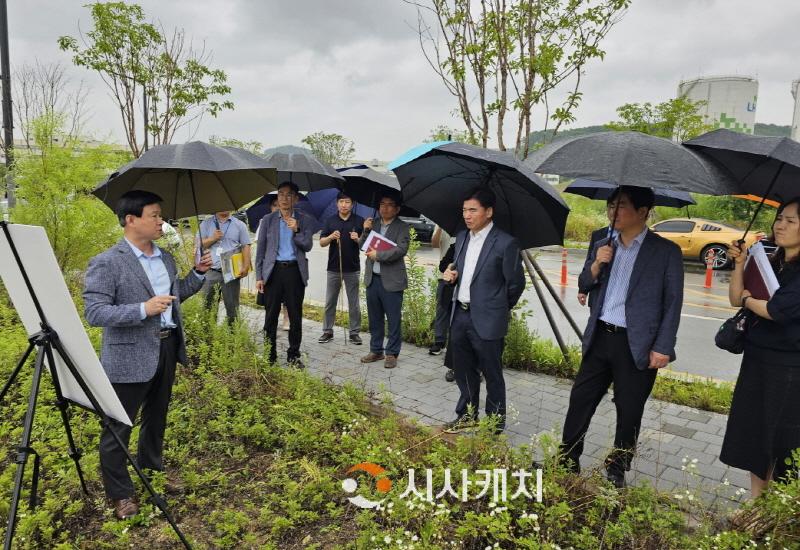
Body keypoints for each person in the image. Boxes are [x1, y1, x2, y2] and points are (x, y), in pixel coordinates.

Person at [83, 190, 212, 520]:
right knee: (118, 428)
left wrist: (196, 273)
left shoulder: (165, 258)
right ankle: (121, 494)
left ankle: (151, 472)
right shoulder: (108, 262)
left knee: (156, 418)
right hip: (128, 356)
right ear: (131, 220)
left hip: (166, 347)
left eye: (160, 215)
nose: (161, 222)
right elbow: (95, 312)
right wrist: (142, 309)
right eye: (154, 215)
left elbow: (176, 295)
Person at [559, 186, 683, 489]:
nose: (613, 212)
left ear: (643, 212)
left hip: (637, 344)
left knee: (629, 408)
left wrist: (663, 347)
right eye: (611, 205)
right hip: (601, 335)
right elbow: (585, 284)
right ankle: (567, 459)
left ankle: (617, 466)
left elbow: (672, 302)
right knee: (581, 399)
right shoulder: (601, 239)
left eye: (622, 206)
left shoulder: (665, 251)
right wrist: (597, 263)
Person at [721, 198, 800, 499]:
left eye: (791, 221)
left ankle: (777, 509)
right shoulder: (771, 259)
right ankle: (756, 503)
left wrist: (746, 300)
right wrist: (741, 263)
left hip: (789, 368)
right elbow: (733, 297)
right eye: (779, 218)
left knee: (781, 439)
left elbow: (777, 310)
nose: (780, 225)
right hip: (757, 360)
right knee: (755, 434)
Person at [442, 187, 525, 434]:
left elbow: (515, 284)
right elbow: (458, 269)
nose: (467, 215)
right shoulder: (463, 238)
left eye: (473, 210)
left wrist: (497, 307)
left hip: (488, 319)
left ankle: (494, 423)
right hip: (461, 314)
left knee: (492, 373)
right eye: (464, 210)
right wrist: (450, 275)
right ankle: (467, 414)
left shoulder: (506, 243)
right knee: (463, 369)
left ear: (488, 212)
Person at [255, 182, 315, 367]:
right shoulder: (268, 220)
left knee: (295, 316)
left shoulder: (304, 219)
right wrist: (259, 276)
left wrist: (296, 229)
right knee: (270, 316)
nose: (284, 198)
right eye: (281, 194)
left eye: (288, 195)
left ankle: (293, 355)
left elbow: (308, 246)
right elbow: (261, 250)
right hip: (273, 272)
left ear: (296, 198)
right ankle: (270, 354)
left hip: (294, 272)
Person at [359, 193, 410, 369]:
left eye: (389, 205)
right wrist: (365, 230)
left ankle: (392, 353)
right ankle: (376, 350)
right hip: (373, 279)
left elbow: (401, 249)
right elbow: (362, 246)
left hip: (392, 281)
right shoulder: (373, 223)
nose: (385, 208)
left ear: (397, 209)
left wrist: (379, 255)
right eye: (382, 204)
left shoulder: (402, 227)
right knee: (375, 318)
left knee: (393, 319)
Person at [318, 191, 364, 345]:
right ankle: (327, 331)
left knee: (354, 303)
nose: (344, 205)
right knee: (330, 301)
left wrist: (358, 239)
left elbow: (366, 245)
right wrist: (331, 237)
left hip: (353, 268)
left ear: (353, 204)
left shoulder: (359, 221)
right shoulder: (330, 221)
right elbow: (321, 242)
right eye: (341, 202)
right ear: (337, 203)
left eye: (347, 202)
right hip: (333, 268)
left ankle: (354, 332)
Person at [197, 210, 251, 324]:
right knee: (208, 308)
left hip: (231, 271)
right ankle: (208, 338)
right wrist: (213, 238)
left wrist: (246, 266)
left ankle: (232, 337)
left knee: (232, 309)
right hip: (210, 271)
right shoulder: (206, 224)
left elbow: (246, 245)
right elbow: (198, 244)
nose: (224, 208)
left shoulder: (239, 225)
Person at [256, 195, 290, 331]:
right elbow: (260, 249)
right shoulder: (265, 222)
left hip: (286, 266)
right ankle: (270, 323)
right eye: (274, 205)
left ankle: (286, 319)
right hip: (269, 267)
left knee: (287, 297)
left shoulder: (291, 221)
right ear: (271, 207)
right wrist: (259, 274)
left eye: (279, 204)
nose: (277, 207)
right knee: (270, 300)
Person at [430, 225, 455, 355]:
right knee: (442, 310)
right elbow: (434, 244)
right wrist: (440, 227)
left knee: (457, 313)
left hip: (461, 279)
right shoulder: (444, 223)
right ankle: (439, 342)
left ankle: (454, 344)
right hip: (444, 276)